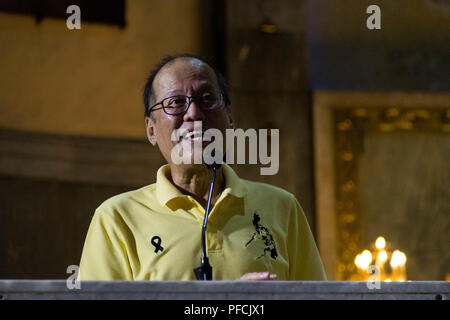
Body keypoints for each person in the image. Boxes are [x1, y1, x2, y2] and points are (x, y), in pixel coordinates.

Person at [78, 54, 326, 281]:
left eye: (207, 99)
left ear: (229, 117)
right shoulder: (117, 218)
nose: (194, 113)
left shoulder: (282, 207)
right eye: (175, 102)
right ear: (151, 129)